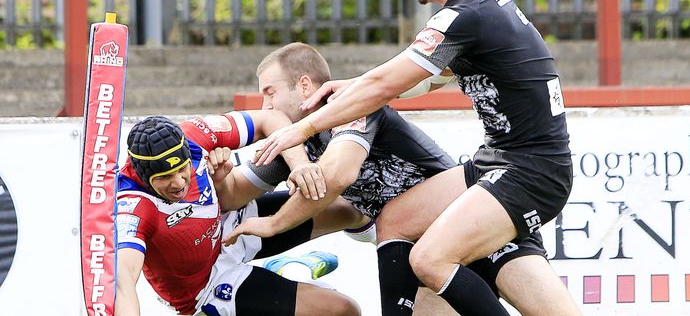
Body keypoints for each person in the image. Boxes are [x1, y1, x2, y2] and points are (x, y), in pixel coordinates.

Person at [249, 0, 581, 316]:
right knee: (397, 218)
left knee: (429, 259)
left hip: (528, 172)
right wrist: (356, 86)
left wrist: (302, 128)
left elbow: (386, 85)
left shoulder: (463, 16)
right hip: (501, 161)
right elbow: (425, 79)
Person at [222, 42, 579, 316]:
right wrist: (216, 171)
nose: (264, 106)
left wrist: (273, 225)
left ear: (303, 86)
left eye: (269, 92)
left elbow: (339, 173)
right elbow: (234, 194)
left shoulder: (349, 103)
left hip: (480, 223)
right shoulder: (293, 145)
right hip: (428, 252)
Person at [114, 112, 361, 316]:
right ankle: (291, 272)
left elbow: (272, 119)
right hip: (209, 286)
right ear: (145, 178)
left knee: (352, 210)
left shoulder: (193, 135)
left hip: (232, 225)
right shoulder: (132, 207)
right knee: (344, 310)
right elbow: (123, 283)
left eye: (183, 169)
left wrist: (300, 166)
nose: (179, 183)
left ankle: (283, 270)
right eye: (165, 178)